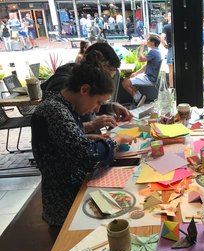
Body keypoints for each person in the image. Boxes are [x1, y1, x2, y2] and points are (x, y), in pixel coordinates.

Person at [31, 57, 136, 227]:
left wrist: (85, 137)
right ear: (84, 90)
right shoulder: (55, 111)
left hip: (75, 189)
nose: (96, 109)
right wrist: (116, 140)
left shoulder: (61, 104)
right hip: (66, 203)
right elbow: (88, 157)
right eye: (98, 103)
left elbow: (60, 143)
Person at [41, 42, 133, 134]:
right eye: (106, 76)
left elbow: (88, 106)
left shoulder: (81, 81)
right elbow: (62, 128)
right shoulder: (63, 86)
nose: (106, 82)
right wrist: (92, 125)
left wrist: (110, 107)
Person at [122, 33, 162, 106]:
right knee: (128, 80)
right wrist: (136, 73)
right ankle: (139, 98)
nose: (146, 41)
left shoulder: (153, 52)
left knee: (125, 83)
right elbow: (146, 66)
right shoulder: (156, 51)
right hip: (149, 77)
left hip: (149, 78)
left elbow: (140, 59)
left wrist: (142, 46)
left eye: (148, 40)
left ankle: (138, 98)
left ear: (153, 42)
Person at [161, 12, 173, 88]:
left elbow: (162, 38)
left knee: (171, 69)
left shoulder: (166, 27)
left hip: (171, 48)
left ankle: (171, 87)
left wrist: (166, 46)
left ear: (169, 17)